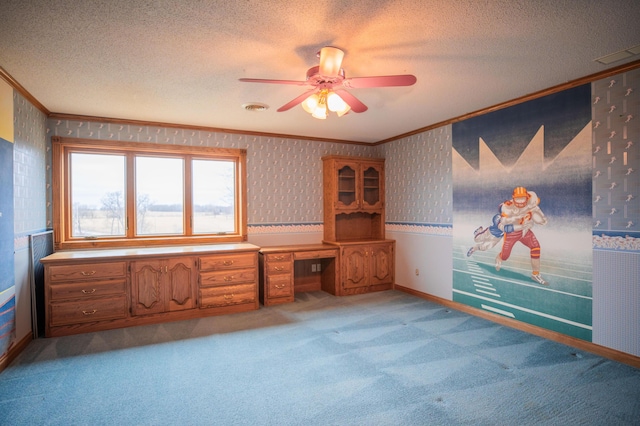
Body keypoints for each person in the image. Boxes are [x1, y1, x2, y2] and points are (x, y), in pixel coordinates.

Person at [495, 186, 549, 285]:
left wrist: (542, 218)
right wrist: (517, 217)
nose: (520, 201)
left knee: (536, 247)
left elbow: (536, 209)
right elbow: (504, 222)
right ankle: (499, 257)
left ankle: (535, 274)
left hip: (525, 231)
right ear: (513, 198)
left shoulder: (531, 201)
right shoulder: (508, 207)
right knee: (505, 256)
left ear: (527, 197)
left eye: (522, 198)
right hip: (512, 233)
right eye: (517, 199)